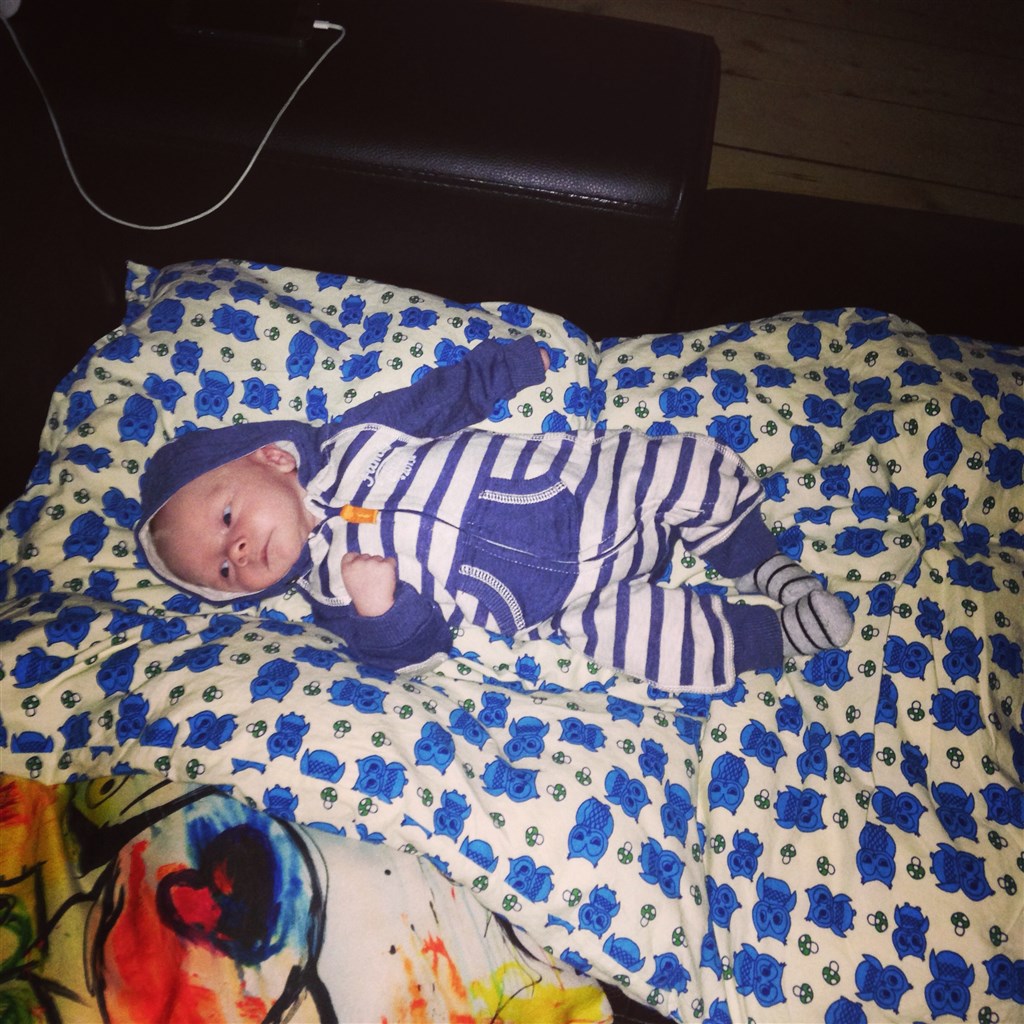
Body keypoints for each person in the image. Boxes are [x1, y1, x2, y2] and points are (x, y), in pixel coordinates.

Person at [137, 335, 852, 693]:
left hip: (583, 490)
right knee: (657, 647)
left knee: (681, 467)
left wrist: (505, 368)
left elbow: (436, 401)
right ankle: (777, 636)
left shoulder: (360, 439)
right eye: (222, 571)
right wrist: (381, 611)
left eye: (225, 519)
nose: (237, 552)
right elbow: (415, 655)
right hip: (567, 604)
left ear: (272, 458)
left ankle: (763, 565)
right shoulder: (332, 597)